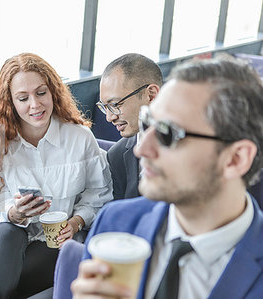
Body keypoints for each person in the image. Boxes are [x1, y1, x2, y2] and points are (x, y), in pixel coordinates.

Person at [70, 56, 263, 299]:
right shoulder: (115, 223)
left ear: (235, 159)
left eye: (167, 133)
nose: (142, 149)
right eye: (146, 123)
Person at [0, 53, 112, 299]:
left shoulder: (79, 138)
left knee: (71, 248)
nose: (35, 105)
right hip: (6, 240)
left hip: (56, 240)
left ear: (52, 92)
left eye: (41, 93)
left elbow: (100, 193)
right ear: (10, 102)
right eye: (23, 98)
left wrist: (76, 222)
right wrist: (13, 213)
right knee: (9, 231)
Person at [97, 53, 162, 200]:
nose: (109, 117)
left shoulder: (193, 144)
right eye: (104, 107)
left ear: (151, 95)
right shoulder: (117, 155)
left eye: (115, 105)